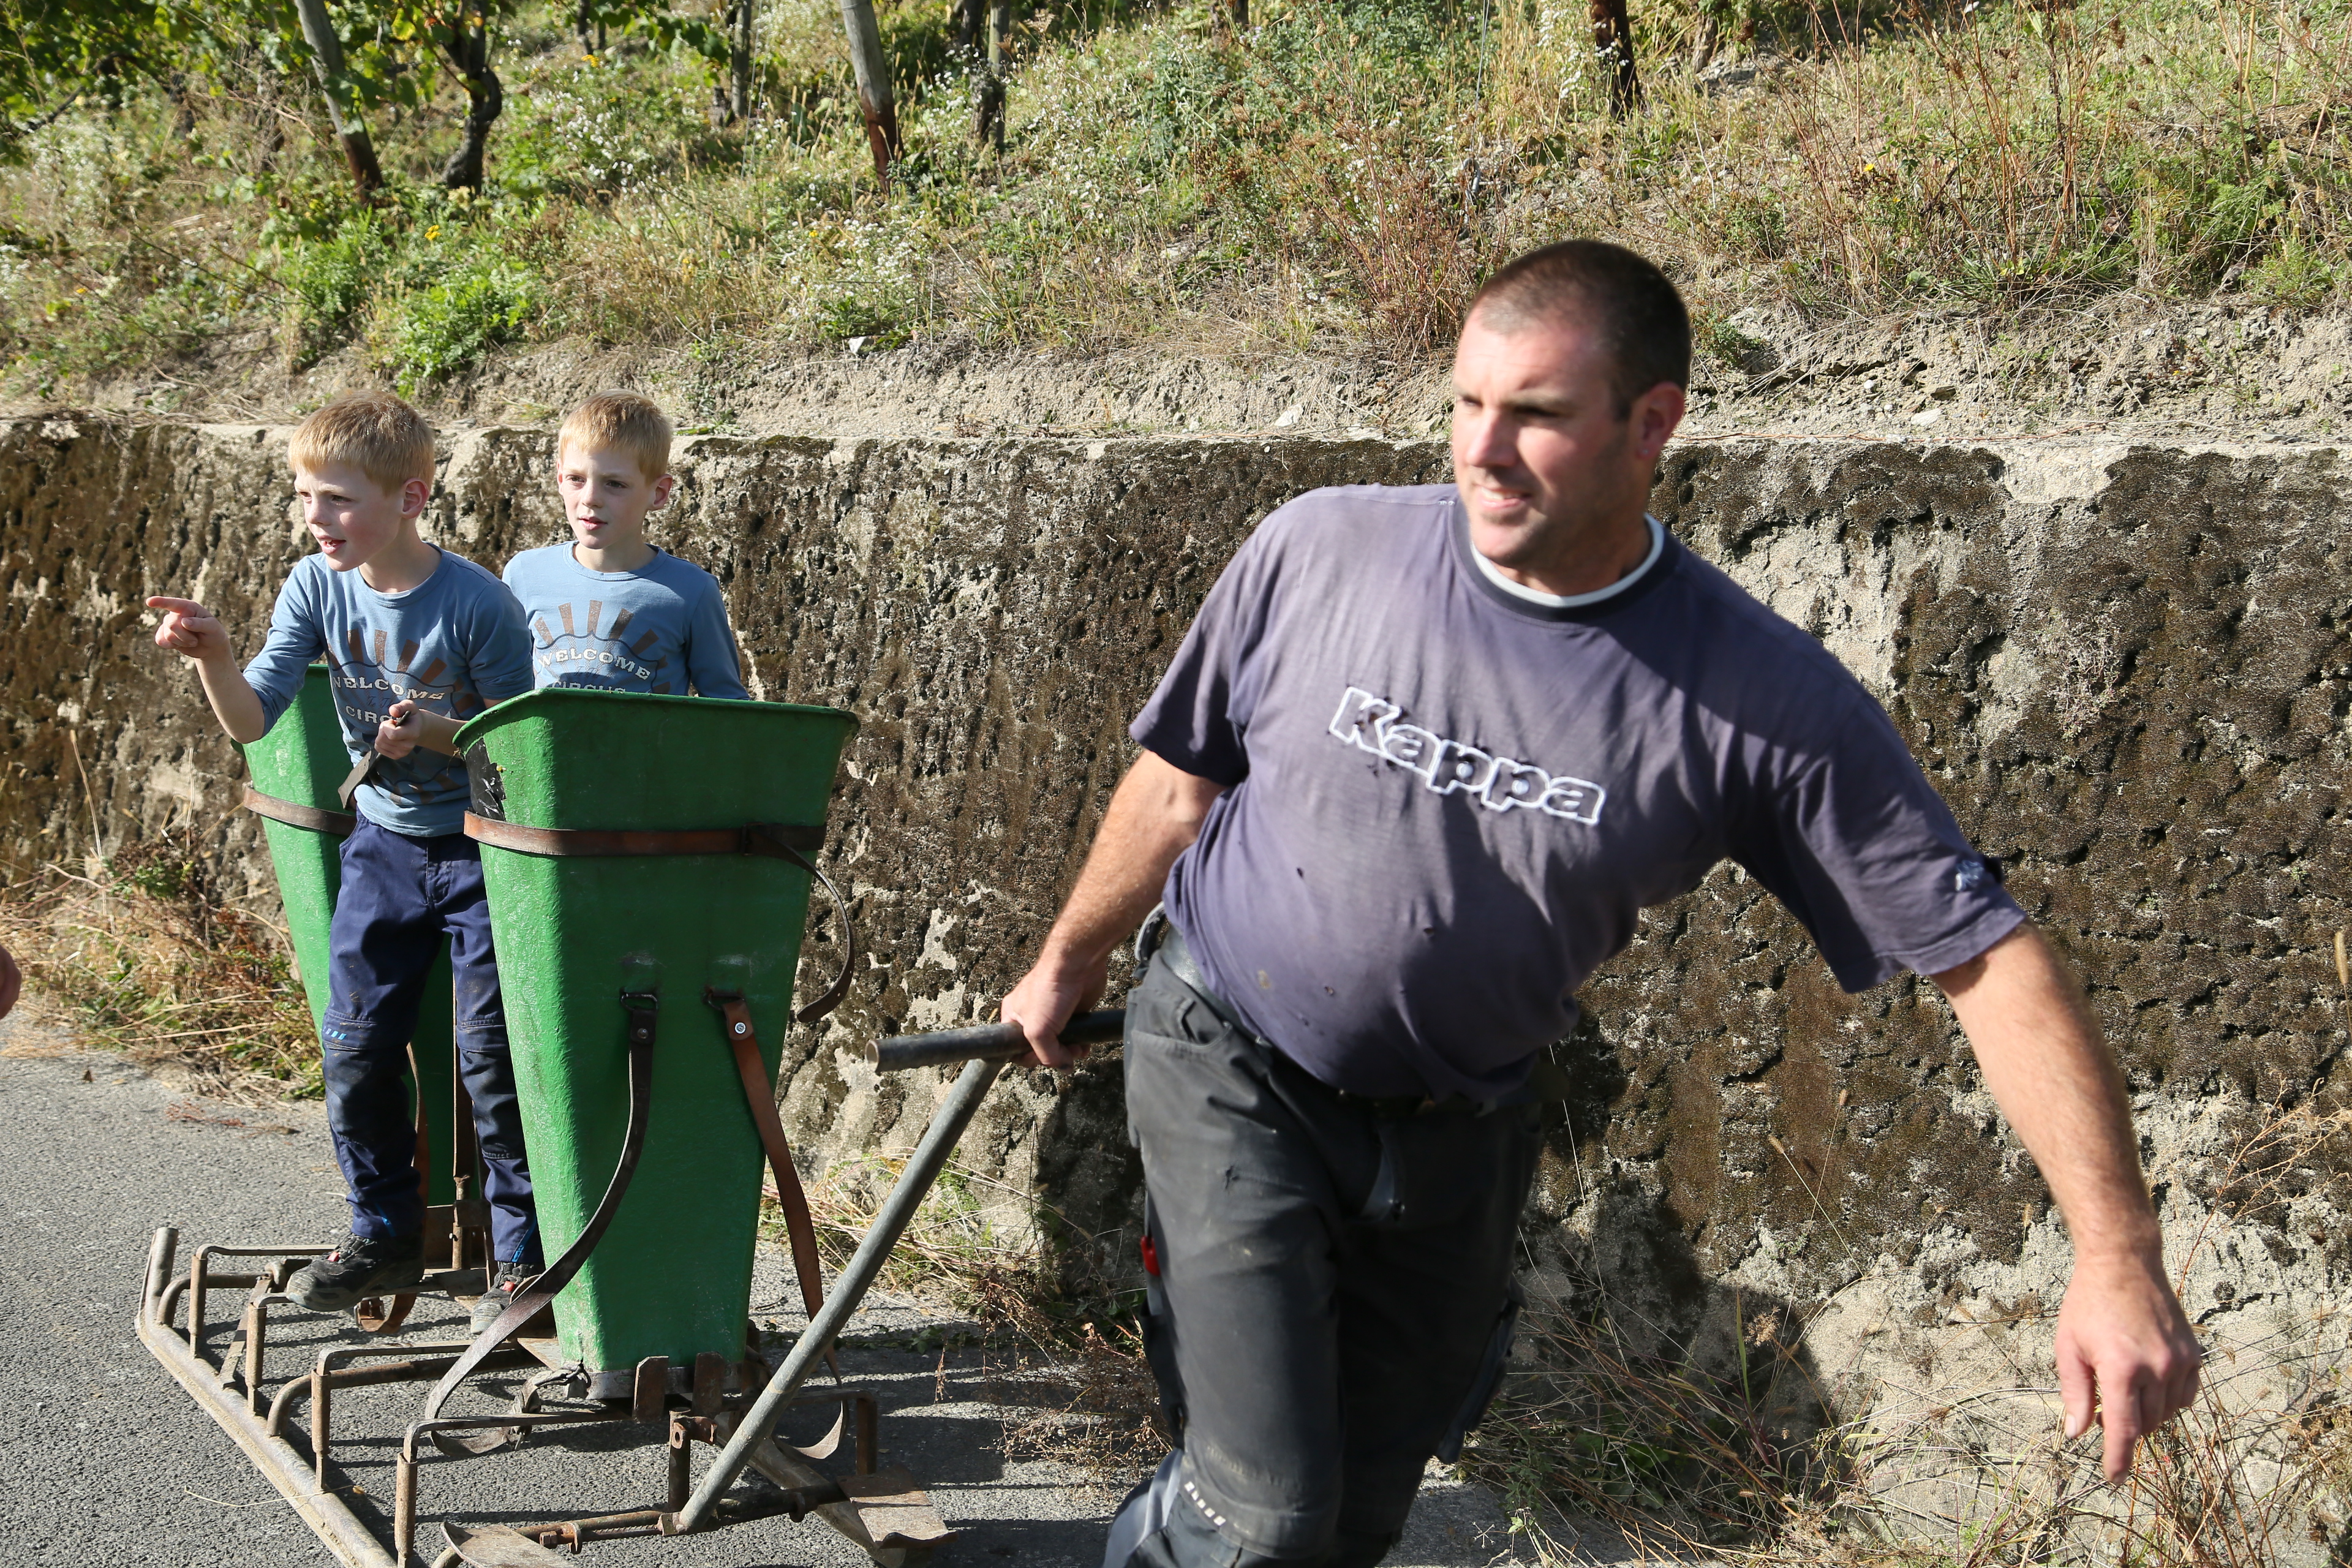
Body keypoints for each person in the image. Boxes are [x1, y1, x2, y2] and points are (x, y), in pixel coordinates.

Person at [997, 241, 2203, 1568]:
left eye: (1538, 415)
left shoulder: (1756, 699)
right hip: (1230, 1057)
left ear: (1654, 423)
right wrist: (1067, 958)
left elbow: (1987, 958)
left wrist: (2117, 1248)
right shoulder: (1320, 550)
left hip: (1458, 1129)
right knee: (1262, 1511)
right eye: (1467, 404)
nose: (1484, 449)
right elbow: (1177, 786)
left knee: (1354, 1514)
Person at [147, 390, 542, 1335]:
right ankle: (383, 1231)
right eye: (305, 497)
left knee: (491, 1057)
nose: (315, 519)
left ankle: (524, 1258)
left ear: (410, 497)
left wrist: (440, 732)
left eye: (337, 500)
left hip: (486, 848)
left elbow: (526, 750)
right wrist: (215, 655)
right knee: (356, 1048)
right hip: (383, 846)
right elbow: (253, 720)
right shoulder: (315, 586)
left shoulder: (478, 603)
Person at [500, 391, 749, 699]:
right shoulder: (525, 574)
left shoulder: (691, 592)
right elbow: (504, 690)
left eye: (615, 484)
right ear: (559, 477)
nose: (591, 498)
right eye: (577, 479)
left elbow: (726, 705)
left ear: (658, 493)